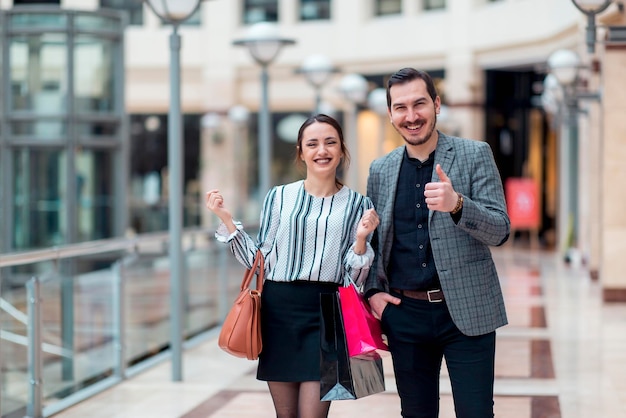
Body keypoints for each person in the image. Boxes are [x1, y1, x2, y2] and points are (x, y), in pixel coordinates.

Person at [206, 113, 379, 418]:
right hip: (279, 313)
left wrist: (362, 240)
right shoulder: (279, 197)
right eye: (312, 144)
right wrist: (225, 219)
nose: (321, 150)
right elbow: (259, 260)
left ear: (341, 150)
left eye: (330, 143)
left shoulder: (358, 205)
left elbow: (355, 280)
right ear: (301, 151)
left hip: (327, 314)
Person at [363, 67, 510, 418]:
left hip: (468, 310)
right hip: (405, 315)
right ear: (390, 114)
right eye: (401, 107)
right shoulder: (380, 169)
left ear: (437, 104)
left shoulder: (475, 154)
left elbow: (501, 230)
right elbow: (375, 241)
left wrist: (457, 205)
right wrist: (373, 294)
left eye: (419, 104)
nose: (411, 116)